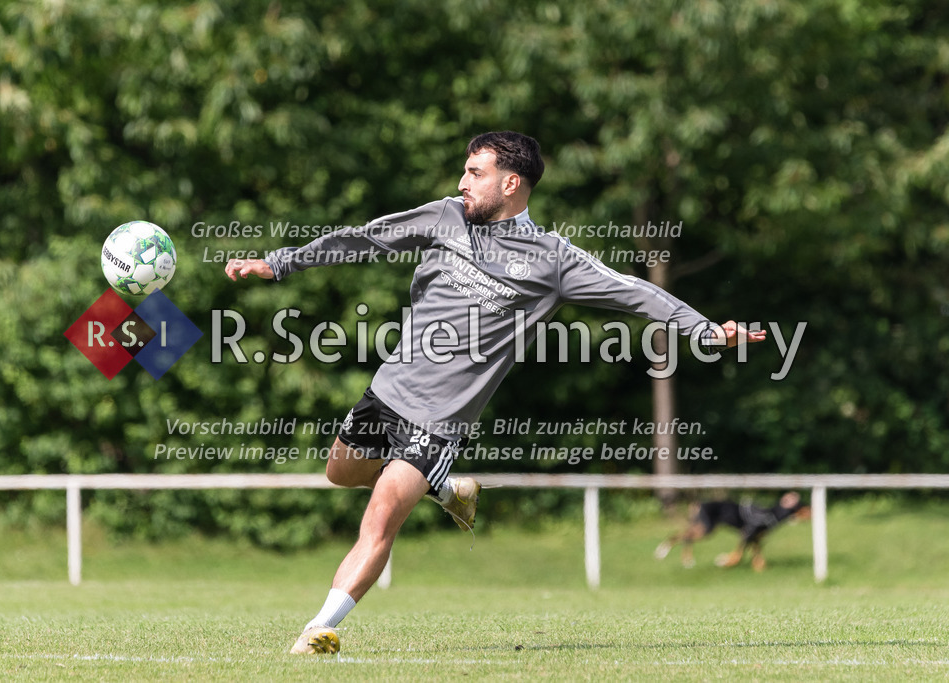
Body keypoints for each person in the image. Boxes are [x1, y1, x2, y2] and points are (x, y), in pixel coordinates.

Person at [224, 131, 766, 654]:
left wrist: (705, 329)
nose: (462, 181)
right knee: (340, 473)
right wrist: (280, 262)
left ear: (511, 184)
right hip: (385, 392)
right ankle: (445, 488)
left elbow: (635, 294)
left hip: (438, 421)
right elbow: (367, 238)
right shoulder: (445, 217)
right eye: (464, 170)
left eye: (475, 172)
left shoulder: (552, 260)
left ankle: (321, 629)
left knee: (381, 515)